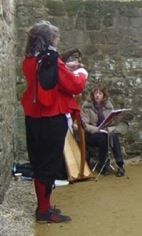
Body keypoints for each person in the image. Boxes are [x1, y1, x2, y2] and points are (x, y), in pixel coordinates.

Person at [20, 21, 87, 223]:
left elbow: (47, 75)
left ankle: (43, 207)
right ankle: (44, 210)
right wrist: (82, 73)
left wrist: (66, 67)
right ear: (49, 39)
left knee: (39, 162)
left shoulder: (30, 60)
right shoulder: (50, 61)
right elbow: (74, 85)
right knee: (49, 164)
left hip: (33, 116)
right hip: (51, 116)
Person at [81, 84, 126, 177]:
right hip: (91, 135)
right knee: (104, 136)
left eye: (100, 93)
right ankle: (103, 164)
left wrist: (107, 129)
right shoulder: (86, 107)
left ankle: (120, 165)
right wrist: (98, 129)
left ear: (104, 95)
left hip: (105, 133)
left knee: (112, 135)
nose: (97, 95)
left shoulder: (109, 107)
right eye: (95, 93)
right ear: (92, 95)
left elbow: (114, 124)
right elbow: (85, 125)